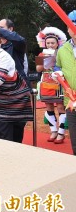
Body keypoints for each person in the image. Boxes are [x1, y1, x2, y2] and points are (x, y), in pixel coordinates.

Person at [35, 26, 68, 144]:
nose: (50, 45)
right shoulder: (41, 54)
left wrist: (55, 61)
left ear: (58, 43)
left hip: (59, 81)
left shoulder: (62, 53)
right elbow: (38, 69)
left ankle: (61, 132)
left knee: (60, 107)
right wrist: (45, 60)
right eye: (48, 42)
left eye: (52, 43)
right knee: (48, 106)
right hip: (46, 82)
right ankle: (53, 131)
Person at [54, 10, 76, 155]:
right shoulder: (63, 49)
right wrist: (58, 72)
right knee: (75, 142)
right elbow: (58, 65)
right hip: (71, 102)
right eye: (71, 25)